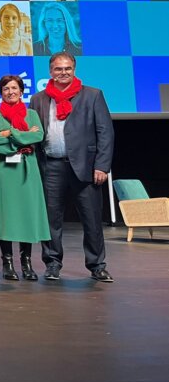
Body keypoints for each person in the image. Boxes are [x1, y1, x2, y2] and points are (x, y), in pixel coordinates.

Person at [29, 53, 114, 283]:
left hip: (86, 167)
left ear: (74, 69)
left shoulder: (92, 95)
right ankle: (52, 264)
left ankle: (97, 266)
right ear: (50, 72)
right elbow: (33, 132)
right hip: (51, 166)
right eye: (58, 69)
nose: (63, 73)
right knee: (51, 220)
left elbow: (105, 133)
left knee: (92, 220)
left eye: (67, 68)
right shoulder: (39, 99)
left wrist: (102, 166)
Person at [0, 75, 50, 281]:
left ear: (21, 91)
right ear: (1, 92)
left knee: (27, 215)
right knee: (7, 216)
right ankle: (7, 263)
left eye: (14, 88)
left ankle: (27, 263)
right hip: (4, 170)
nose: (10, 92)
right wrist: (22, 136)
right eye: (6, 88)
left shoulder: (31, 114)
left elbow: (38, 136)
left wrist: (10, 133)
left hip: (28, 168)